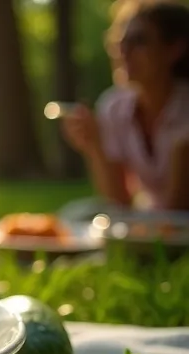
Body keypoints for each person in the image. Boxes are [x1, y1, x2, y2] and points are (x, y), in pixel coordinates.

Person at [62, 0, 189, 213]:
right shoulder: (114, 107)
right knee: (76, 213)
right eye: (119, 41)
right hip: (153, 216)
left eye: (138, 41)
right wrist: (94, 145)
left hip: (175, 221)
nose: (123, 51)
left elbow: (176, 211)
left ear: (174, 48)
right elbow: (119, 202)